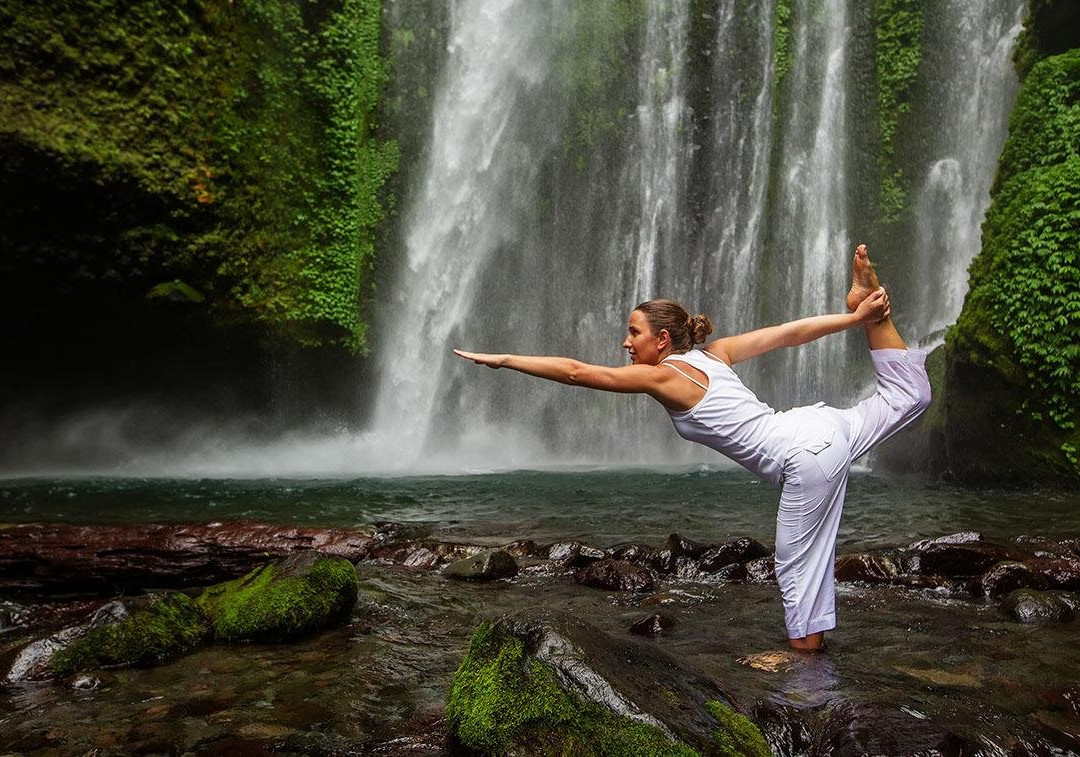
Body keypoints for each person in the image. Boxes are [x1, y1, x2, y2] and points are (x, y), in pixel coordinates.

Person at [454, 244, 931, 650]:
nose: (626, 343)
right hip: (818, 426)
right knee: (909, 396)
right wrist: (856, 318)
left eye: (634, 333)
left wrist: (506, 360)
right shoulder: (714, 355)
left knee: (797, 568)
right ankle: (876, 310)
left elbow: (578, 373)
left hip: (804, 457)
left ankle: (804, 674)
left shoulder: (664, 377)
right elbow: (789, 334)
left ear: (662, 339)